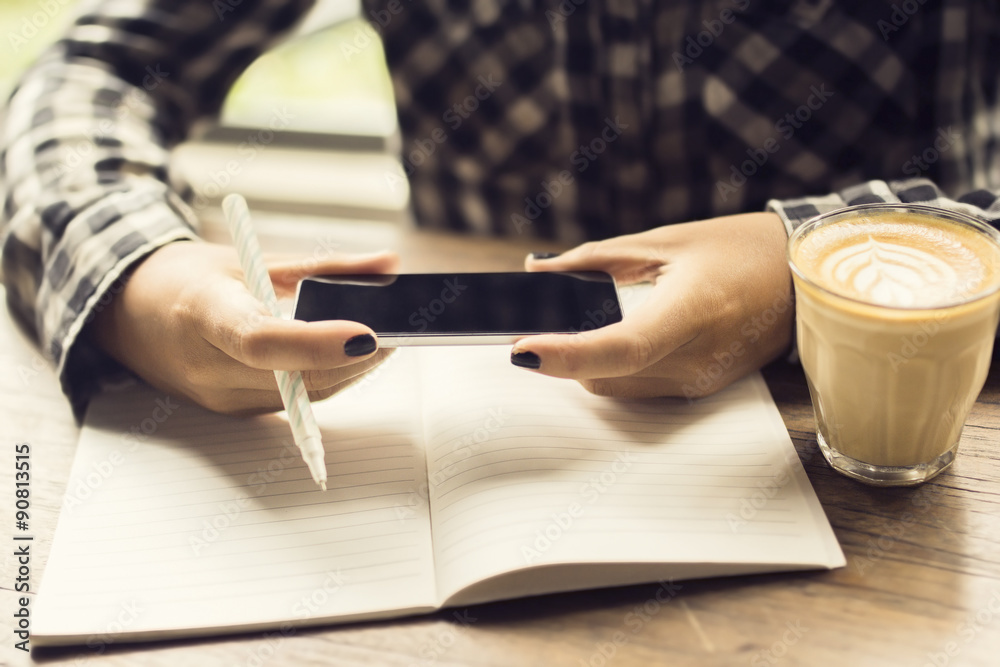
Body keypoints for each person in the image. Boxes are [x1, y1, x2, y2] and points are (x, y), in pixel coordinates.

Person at [2, 0, 998, 417]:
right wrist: (139, 270)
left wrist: (799, 267)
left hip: (851, 423)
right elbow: (96, 69)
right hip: (451, 403)